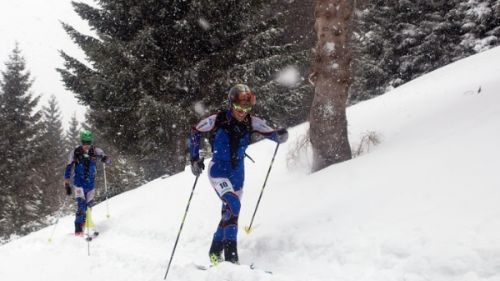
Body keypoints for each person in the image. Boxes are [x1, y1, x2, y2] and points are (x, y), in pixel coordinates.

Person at [189, 84, 288, 265]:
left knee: (229, 213)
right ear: (231, 104)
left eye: (247, 108)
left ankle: (214, 253)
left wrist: (280, 135)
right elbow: (196, 131)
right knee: (233, 205)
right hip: (218, 172)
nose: (243, 112)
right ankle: (231, 260)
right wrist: (194, 159)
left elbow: (271, 133)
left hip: (237, 175)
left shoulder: (251, 121)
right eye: (239, 108)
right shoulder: (218, 119)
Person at [64, 130, 110, 236]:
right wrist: (66, 183)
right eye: (84, 142)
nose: (86, 145)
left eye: (88, 142)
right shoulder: (75, 152)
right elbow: (68, 167)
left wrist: (105, 159)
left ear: (91, 142)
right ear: (81, 141)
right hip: (79, 184)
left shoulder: (96, 151)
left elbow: (109, 162)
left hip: (90, 185)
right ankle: (78, 229)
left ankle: (86, 225)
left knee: (89, 207)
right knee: (81, 207)